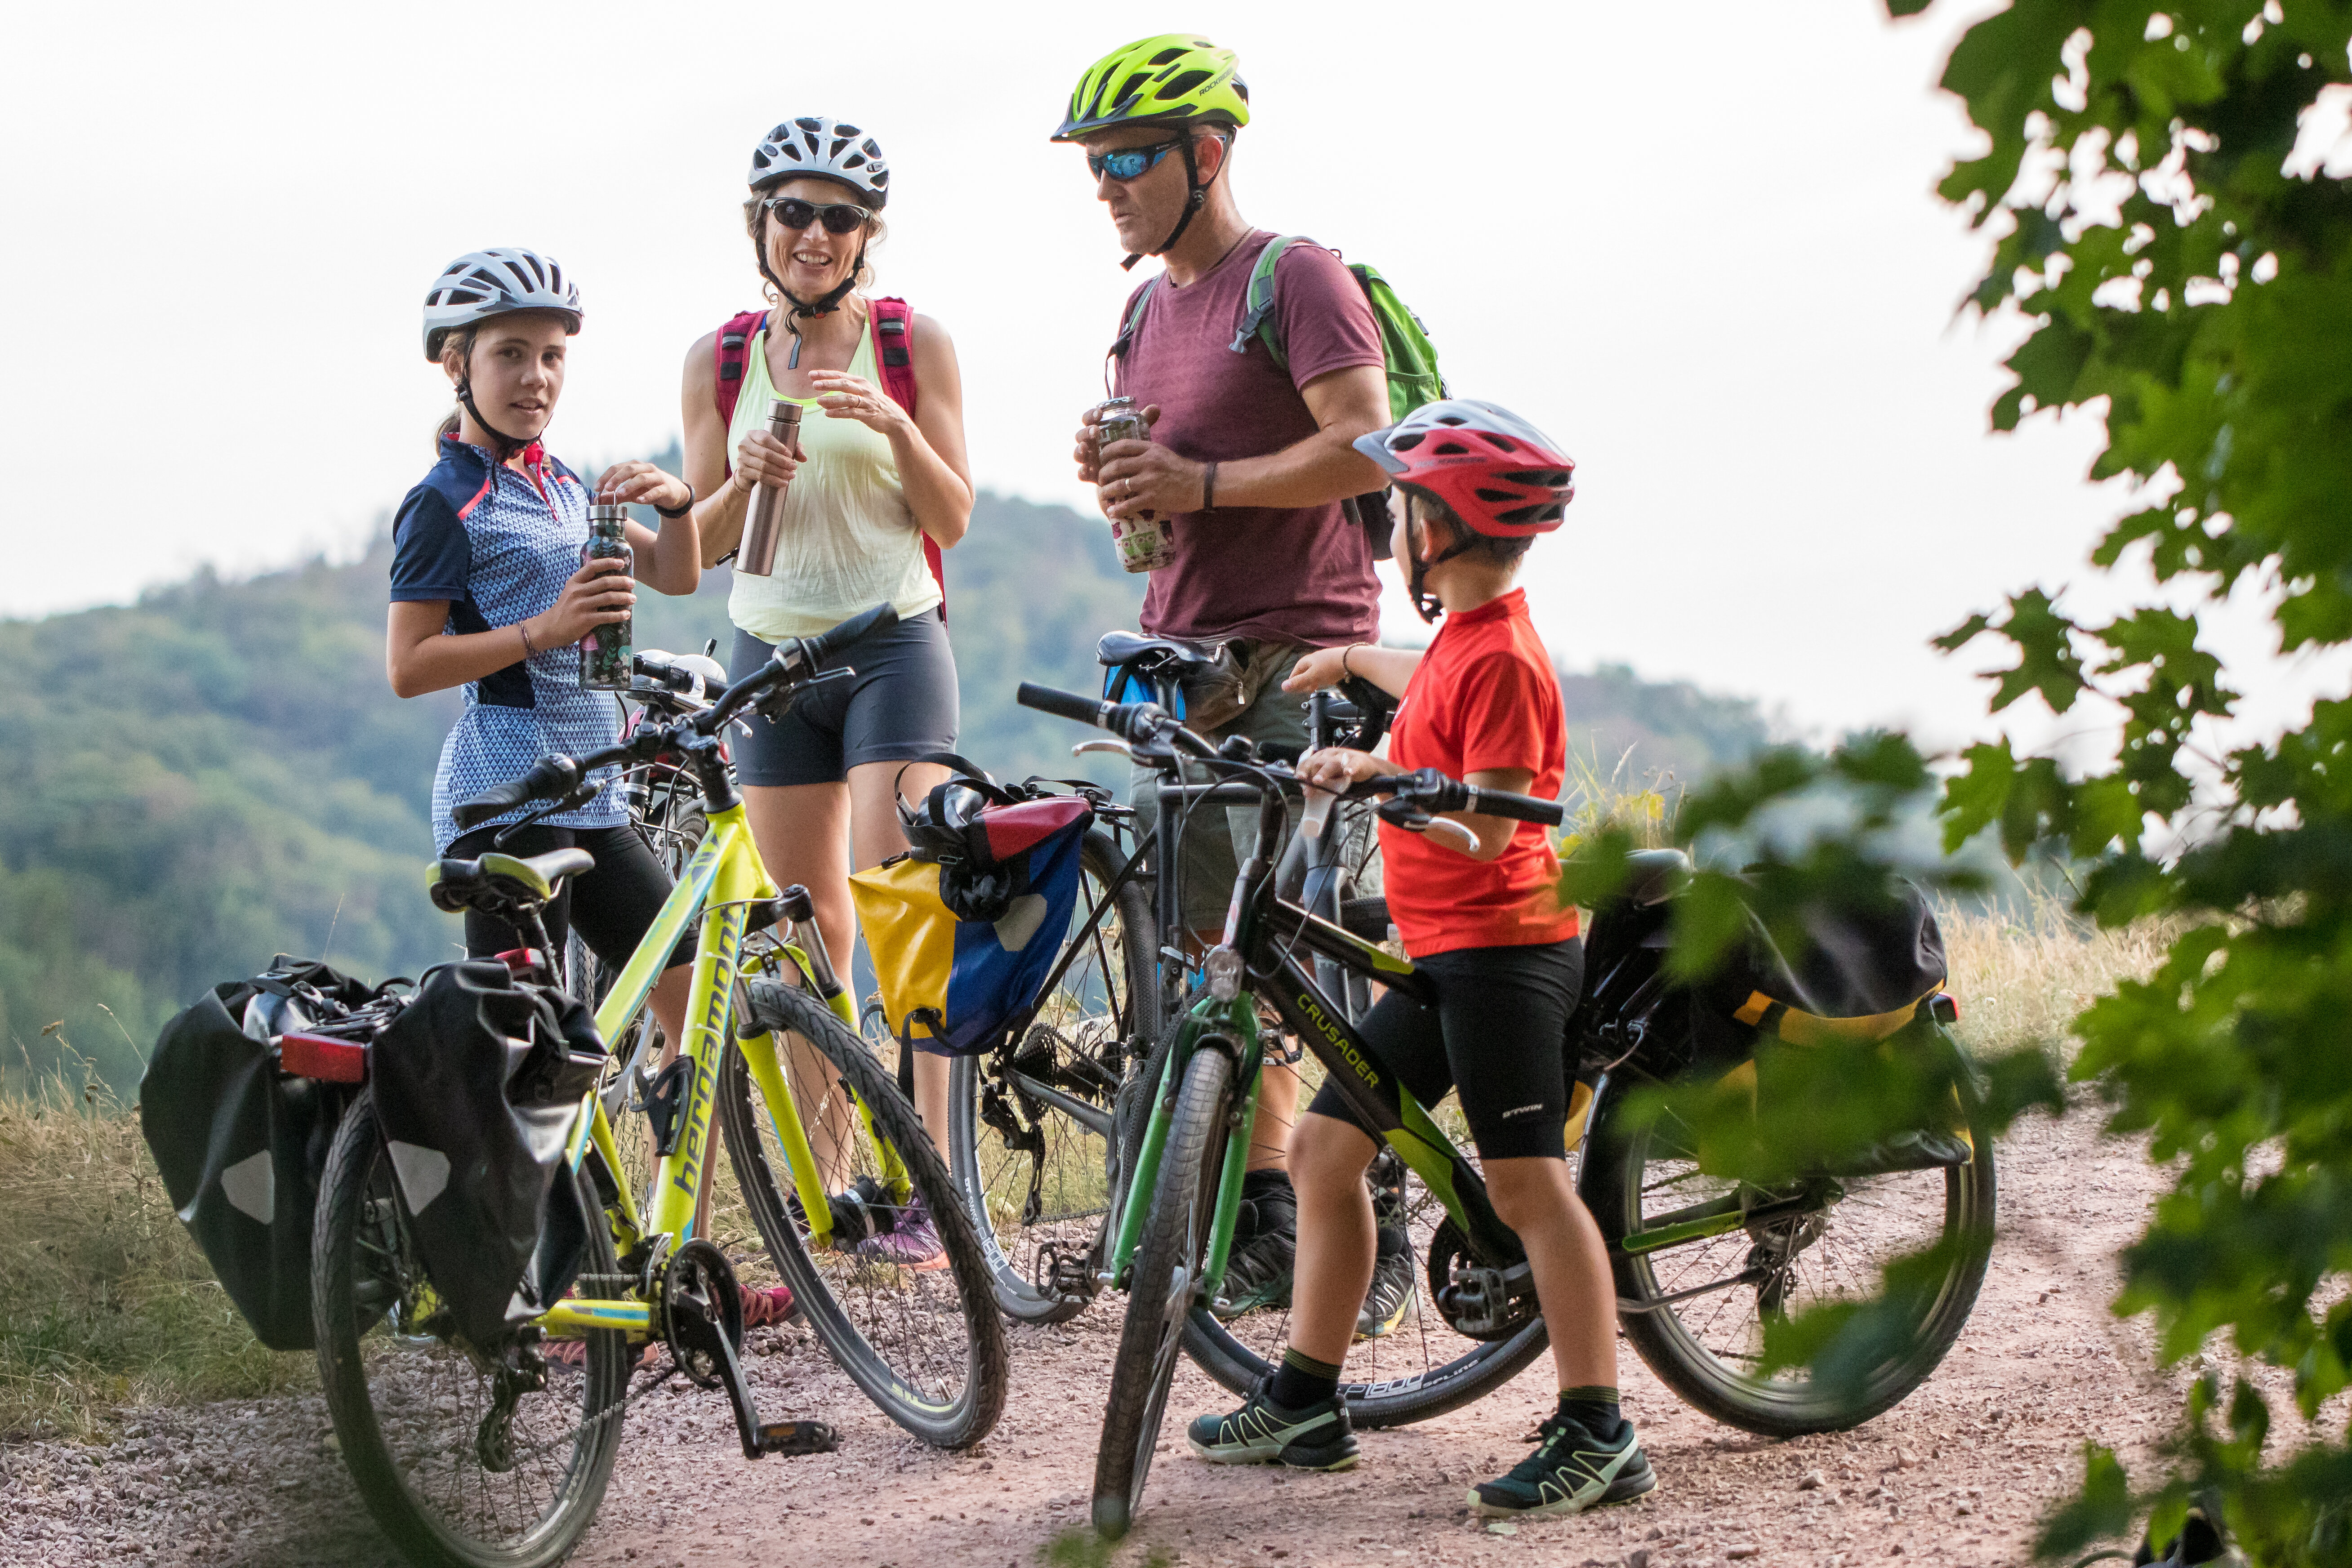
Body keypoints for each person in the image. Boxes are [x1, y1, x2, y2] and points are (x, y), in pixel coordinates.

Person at [1189, 401, 1656, 1520]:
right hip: (1445, 954)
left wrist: (1382, 782)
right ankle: (1306, 1395)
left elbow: (1489, 831)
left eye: (1398, 509)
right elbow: (1426, 683)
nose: (1390, 527)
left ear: (1437, 530)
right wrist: (1348, 657)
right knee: (1324, 1150)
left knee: (1529, 1185)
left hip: (1506, 957)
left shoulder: (1508, 663)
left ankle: (1600, 1429)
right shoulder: (1462, 636)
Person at [1056, 35, 1396, 1322]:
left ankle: (1370, 1222)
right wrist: (1128, 480)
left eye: (1129, 160)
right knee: (1206, 962)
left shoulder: (1291, 276)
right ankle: (1264, 1220)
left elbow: (1370, 446)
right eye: (1095, 167)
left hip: (1302, 657)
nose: (1108, 185)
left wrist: (1202, 484)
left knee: (1290, 959)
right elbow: (1171, 491)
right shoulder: (1144, 313)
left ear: (1208, 156)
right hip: (1185, 669)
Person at [677, 118, 974, 1260]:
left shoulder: (913, 342)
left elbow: (951, 517)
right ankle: (840, 1182)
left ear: (868, 236)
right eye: (793, 212)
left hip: (891, 642)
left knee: (900, 902)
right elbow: (701, 546)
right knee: (804, 934)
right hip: (769, 657)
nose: (814, 233)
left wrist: (893, 421)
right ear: (760, 225)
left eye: (839, 216)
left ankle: (935, 1186)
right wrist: (734, 482)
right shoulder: (719, 358)